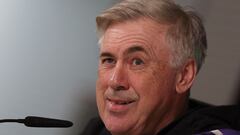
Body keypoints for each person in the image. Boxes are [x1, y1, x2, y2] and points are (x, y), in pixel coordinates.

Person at [81, 0, 240, 135]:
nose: (115, 81)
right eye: (109, 60)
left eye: (137, 62)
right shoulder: (96, 129)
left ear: (183, 76)